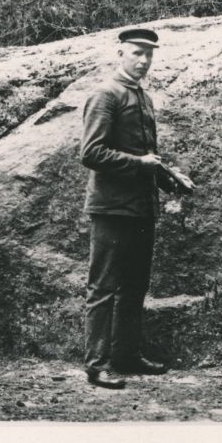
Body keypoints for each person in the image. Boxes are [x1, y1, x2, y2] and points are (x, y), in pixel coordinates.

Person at [80, 28, 195, 389]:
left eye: (149, 55)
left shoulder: (143, 98)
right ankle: (97, 365)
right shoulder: (105, 95)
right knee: (102, 287)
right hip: (111, 209)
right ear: (120, 53)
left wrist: (169, 177)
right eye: (136, 53)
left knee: (134, 287)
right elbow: (91, 153)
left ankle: (126, 355)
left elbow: (148, 157)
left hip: (142, 209)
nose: (144, 61)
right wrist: (143, 164)